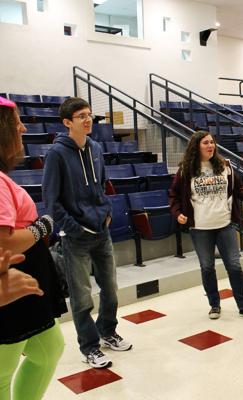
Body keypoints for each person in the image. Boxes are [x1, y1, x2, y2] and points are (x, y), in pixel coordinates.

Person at [42, 97, 132, 369]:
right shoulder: (56, 154)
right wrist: (73, 227)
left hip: (101, 232)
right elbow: (51, 200)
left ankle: (107, 331)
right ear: (67, 122)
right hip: (75, 238)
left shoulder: (95, 147)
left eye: (89, 114)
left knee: (111, 289)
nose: (87, 119)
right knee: (81, 297)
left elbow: (102, 186)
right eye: (81, 115)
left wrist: (106, 212)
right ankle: (89, 347)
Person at [0, 96, 67, 400]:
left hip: (24, 286)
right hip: (10, 290)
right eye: (16, 124)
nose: (24, 128)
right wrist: (43, 226)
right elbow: (5, 241)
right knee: (3, 370)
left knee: (50, 349)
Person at [169, 131, 243, 321]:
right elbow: (174, 195)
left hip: (224, 224)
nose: (210, 146)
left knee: (234, 266)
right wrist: (178, 213)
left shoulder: (225, 166)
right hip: (200, 228)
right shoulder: (186, 170)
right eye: (205, 143)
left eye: (212, 142)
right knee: (207, 267)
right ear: (197, 146)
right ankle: (214, 305)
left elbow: (237, 189)